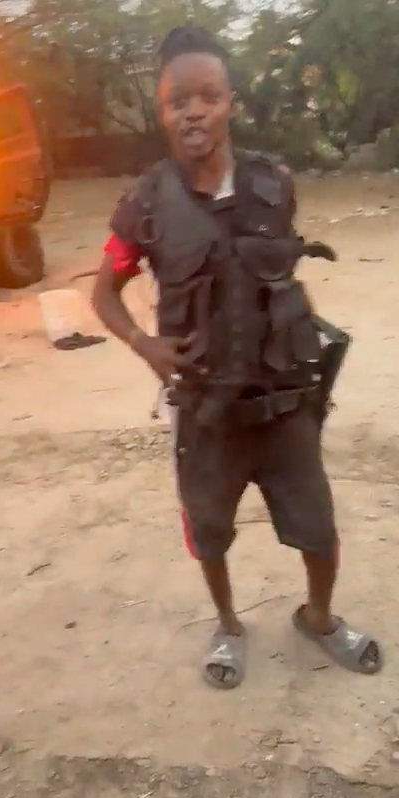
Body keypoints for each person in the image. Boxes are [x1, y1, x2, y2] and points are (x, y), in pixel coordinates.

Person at [92, 24, 383, 688]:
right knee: (211, 532)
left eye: (207, 96)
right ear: (161, 111)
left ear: (229, 103)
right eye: (176, 101)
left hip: (286, 409)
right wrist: (144, 343)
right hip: (206, 414)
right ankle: (228, 625)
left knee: (318, 530)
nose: (192, 111)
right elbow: (104, 291)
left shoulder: (273, 184)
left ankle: (319, 617)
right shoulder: (145, 203)